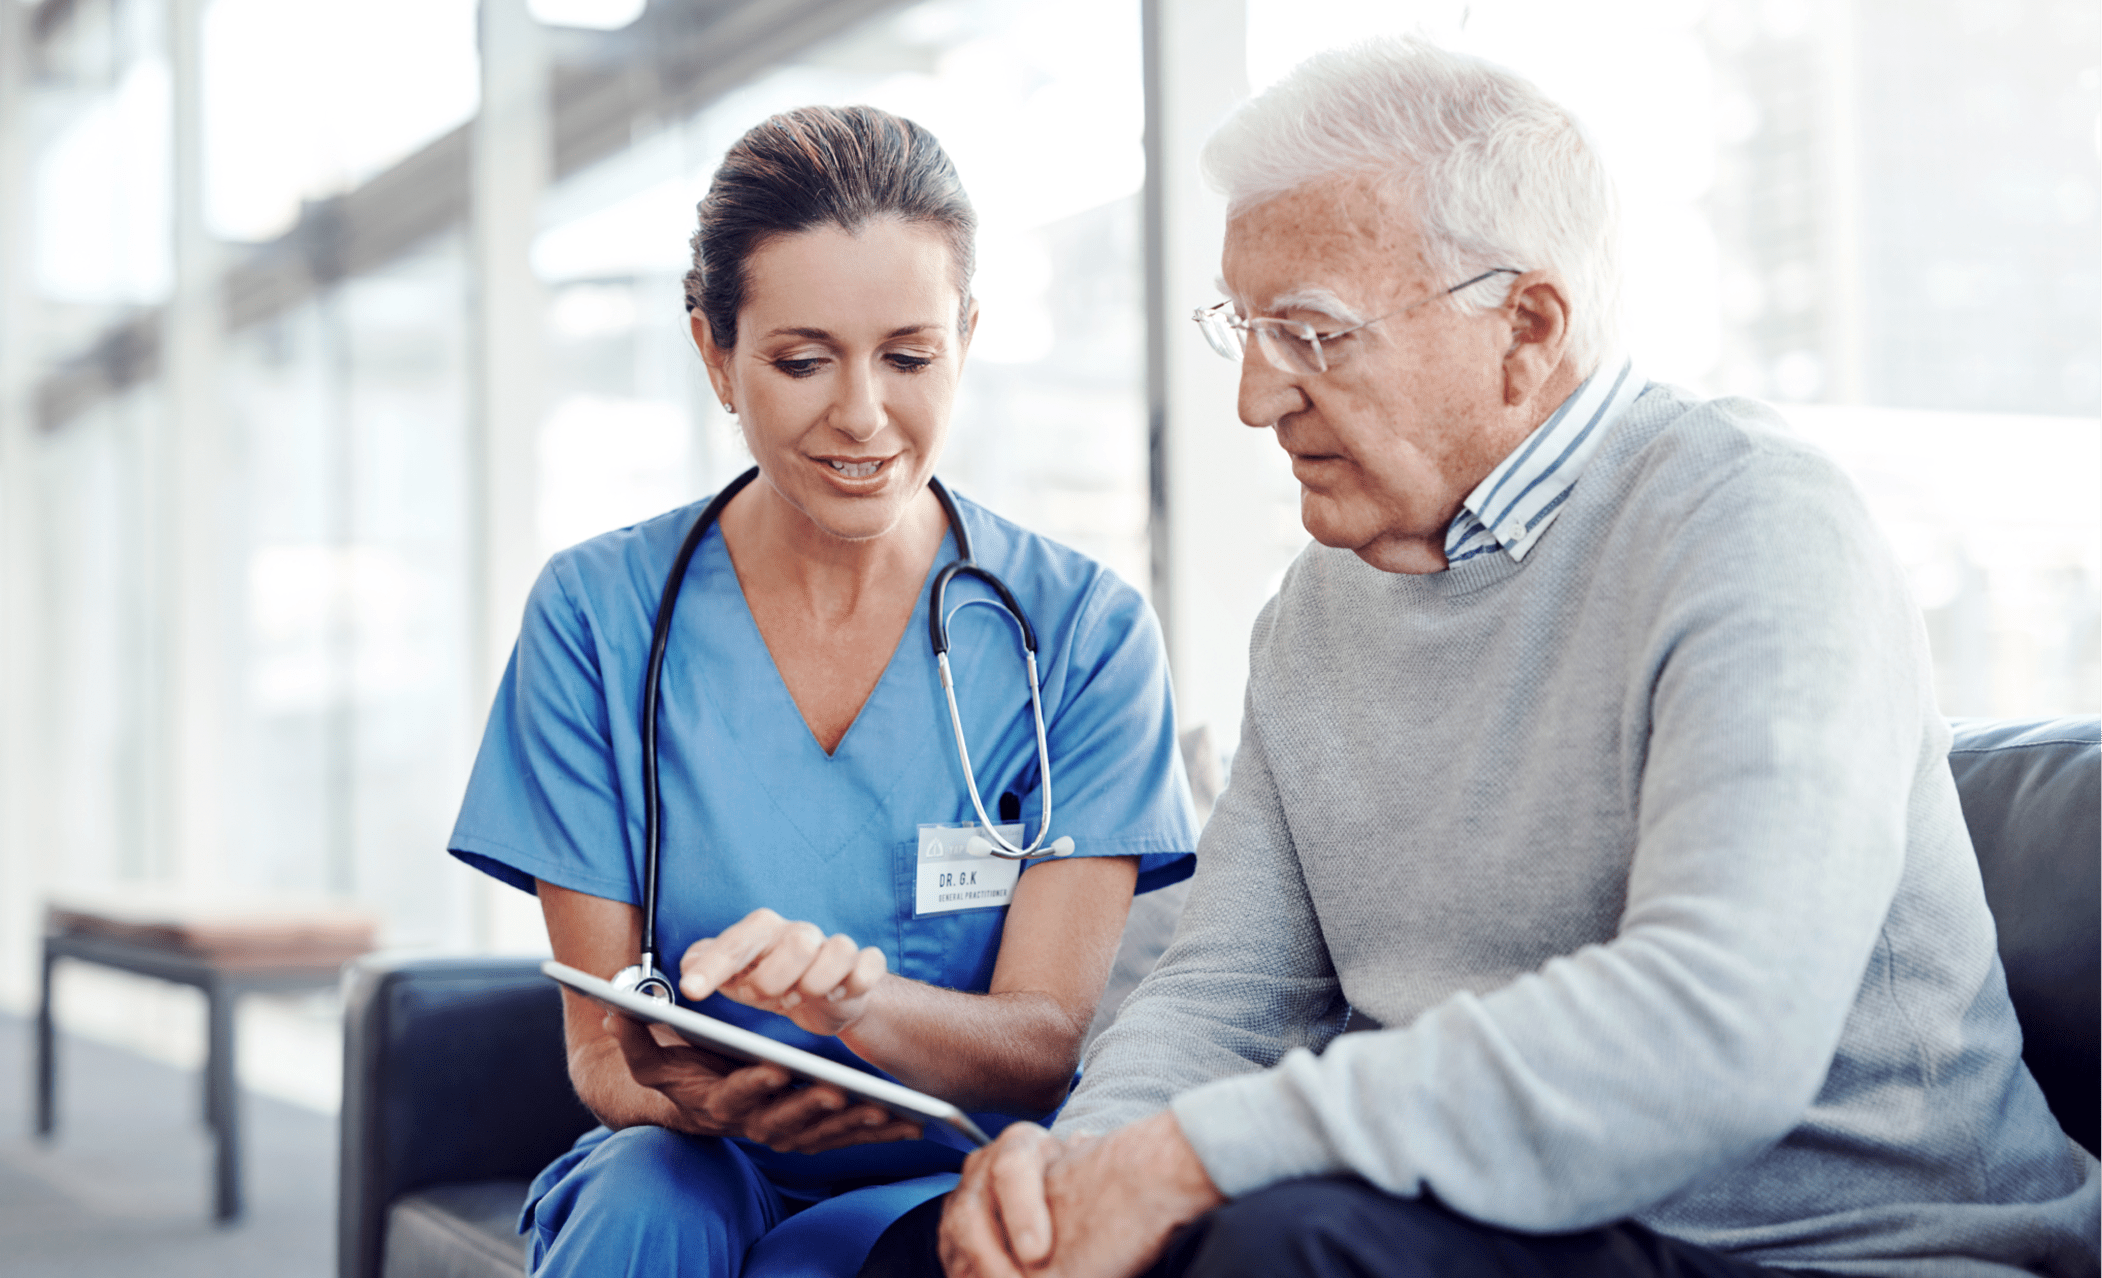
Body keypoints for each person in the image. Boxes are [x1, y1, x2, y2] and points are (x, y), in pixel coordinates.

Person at [912, 37, 2101, 1278]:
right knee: (941, 1251)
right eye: (1244, 330)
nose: (1255, 400)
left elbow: (1718, 1027)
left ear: (1526, 326)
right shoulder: (1315, 613)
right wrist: (1085, 1169)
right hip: (1498, 1230)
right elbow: (1226, 997)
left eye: (1310, 333)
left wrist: (1190, 1161)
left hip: (1841, 1251)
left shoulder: (1754, 520)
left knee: (1284, 1246)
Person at [447, 104, 1197, 1278]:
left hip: (957, 1164)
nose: (862, 415)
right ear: (714, 354)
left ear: (968, 336)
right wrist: (683, 1097)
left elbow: (1045, 1042)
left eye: (909, 356)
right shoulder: (597, 616)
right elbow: (600, 1047)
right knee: (647, 1202)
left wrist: (859, 1008)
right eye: (801, 362)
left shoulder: (1081, 633)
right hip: (694, 1157)